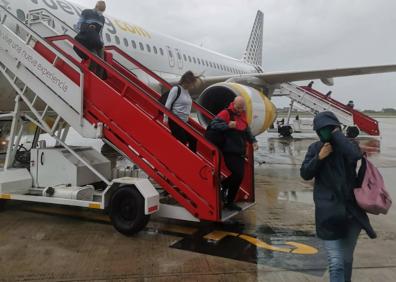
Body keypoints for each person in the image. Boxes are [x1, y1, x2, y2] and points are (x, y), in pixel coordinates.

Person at [300, 111, 376, 282]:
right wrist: (319, 158)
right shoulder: (315, 148)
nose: (324, 132)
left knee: (346, 260)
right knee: (336, 262)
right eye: (321, 130)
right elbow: (305, 173)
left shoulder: (349, 147)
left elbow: (355, 155)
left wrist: (337, 134)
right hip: (328, 214)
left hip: (351, 213)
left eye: (330, 128)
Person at [209, 97, 259, 211]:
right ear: (234, 104)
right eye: (238, 107)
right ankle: (225, 193)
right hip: (229, 150)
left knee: (238, 176)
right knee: (238, 174)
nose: (240, 110)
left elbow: (247, 130)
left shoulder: (242, 114)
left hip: (240, 150)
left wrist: (253, 141)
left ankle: (227, 196)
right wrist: (227, 125)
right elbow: (213, 125)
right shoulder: (226, 113)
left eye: (242, 108)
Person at [165, 71, 201, 152]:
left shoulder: (186, 91)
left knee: (194, 139)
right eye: (192, 83)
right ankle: (184, 159)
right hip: (176, 120)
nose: (192, 86)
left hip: (185, 121)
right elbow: (168, 104)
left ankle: (192, 159)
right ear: (187, 81)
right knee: (183, 141)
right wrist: (165, 118)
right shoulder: (176, 89)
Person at [74, 1, 107, 78]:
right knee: (94, 57)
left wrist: (102, 43)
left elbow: (100, 32)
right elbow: (78, 26)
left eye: (102, 11)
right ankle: (88, 75)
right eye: (100, 10)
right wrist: (88, 28)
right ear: (96, 7)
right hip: (85, 39)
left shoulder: (102, 18)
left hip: (95, 40)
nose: (100, 12)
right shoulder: (86, 12)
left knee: (101, 60)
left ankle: (99, 77)